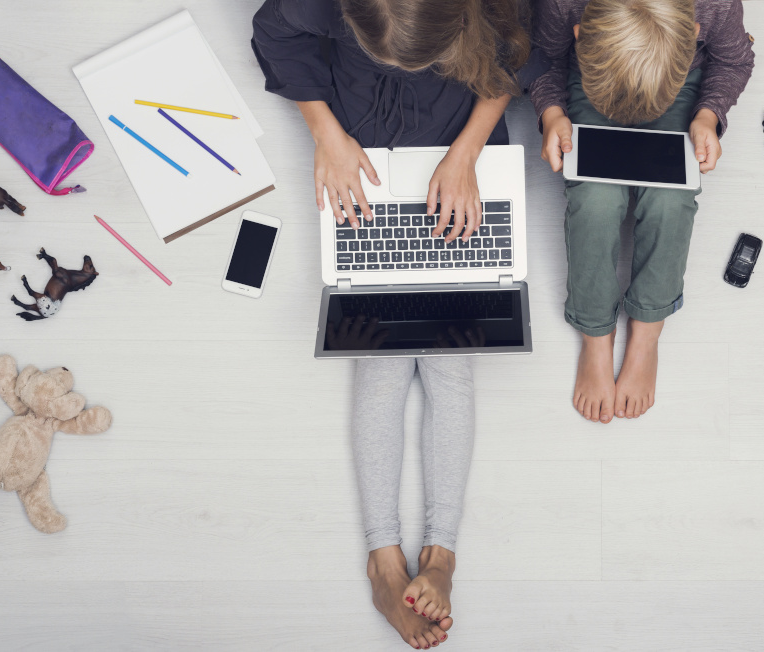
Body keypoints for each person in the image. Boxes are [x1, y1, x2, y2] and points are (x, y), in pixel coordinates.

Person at [252, 1, 542, 648]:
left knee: (450, 363)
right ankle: (384, 557)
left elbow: (516, 57)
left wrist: (467, 154)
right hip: (362, 156)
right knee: (381, 362)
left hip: (457, 156)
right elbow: (274, 34)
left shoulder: (494, 13)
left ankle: (441, 553)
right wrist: (326, 135)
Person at [530, 0, 754, 424]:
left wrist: (708, 115)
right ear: (581, 33)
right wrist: (552, 112)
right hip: (597, 78)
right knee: (594, 199)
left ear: (692, 34)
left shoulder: (717, 6)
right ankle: (595, 332)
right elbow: (543, 57)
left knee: (672, 199)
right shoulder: (562, 6)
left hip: (672, 82)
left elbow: (734, 60)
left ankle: (647, 332)